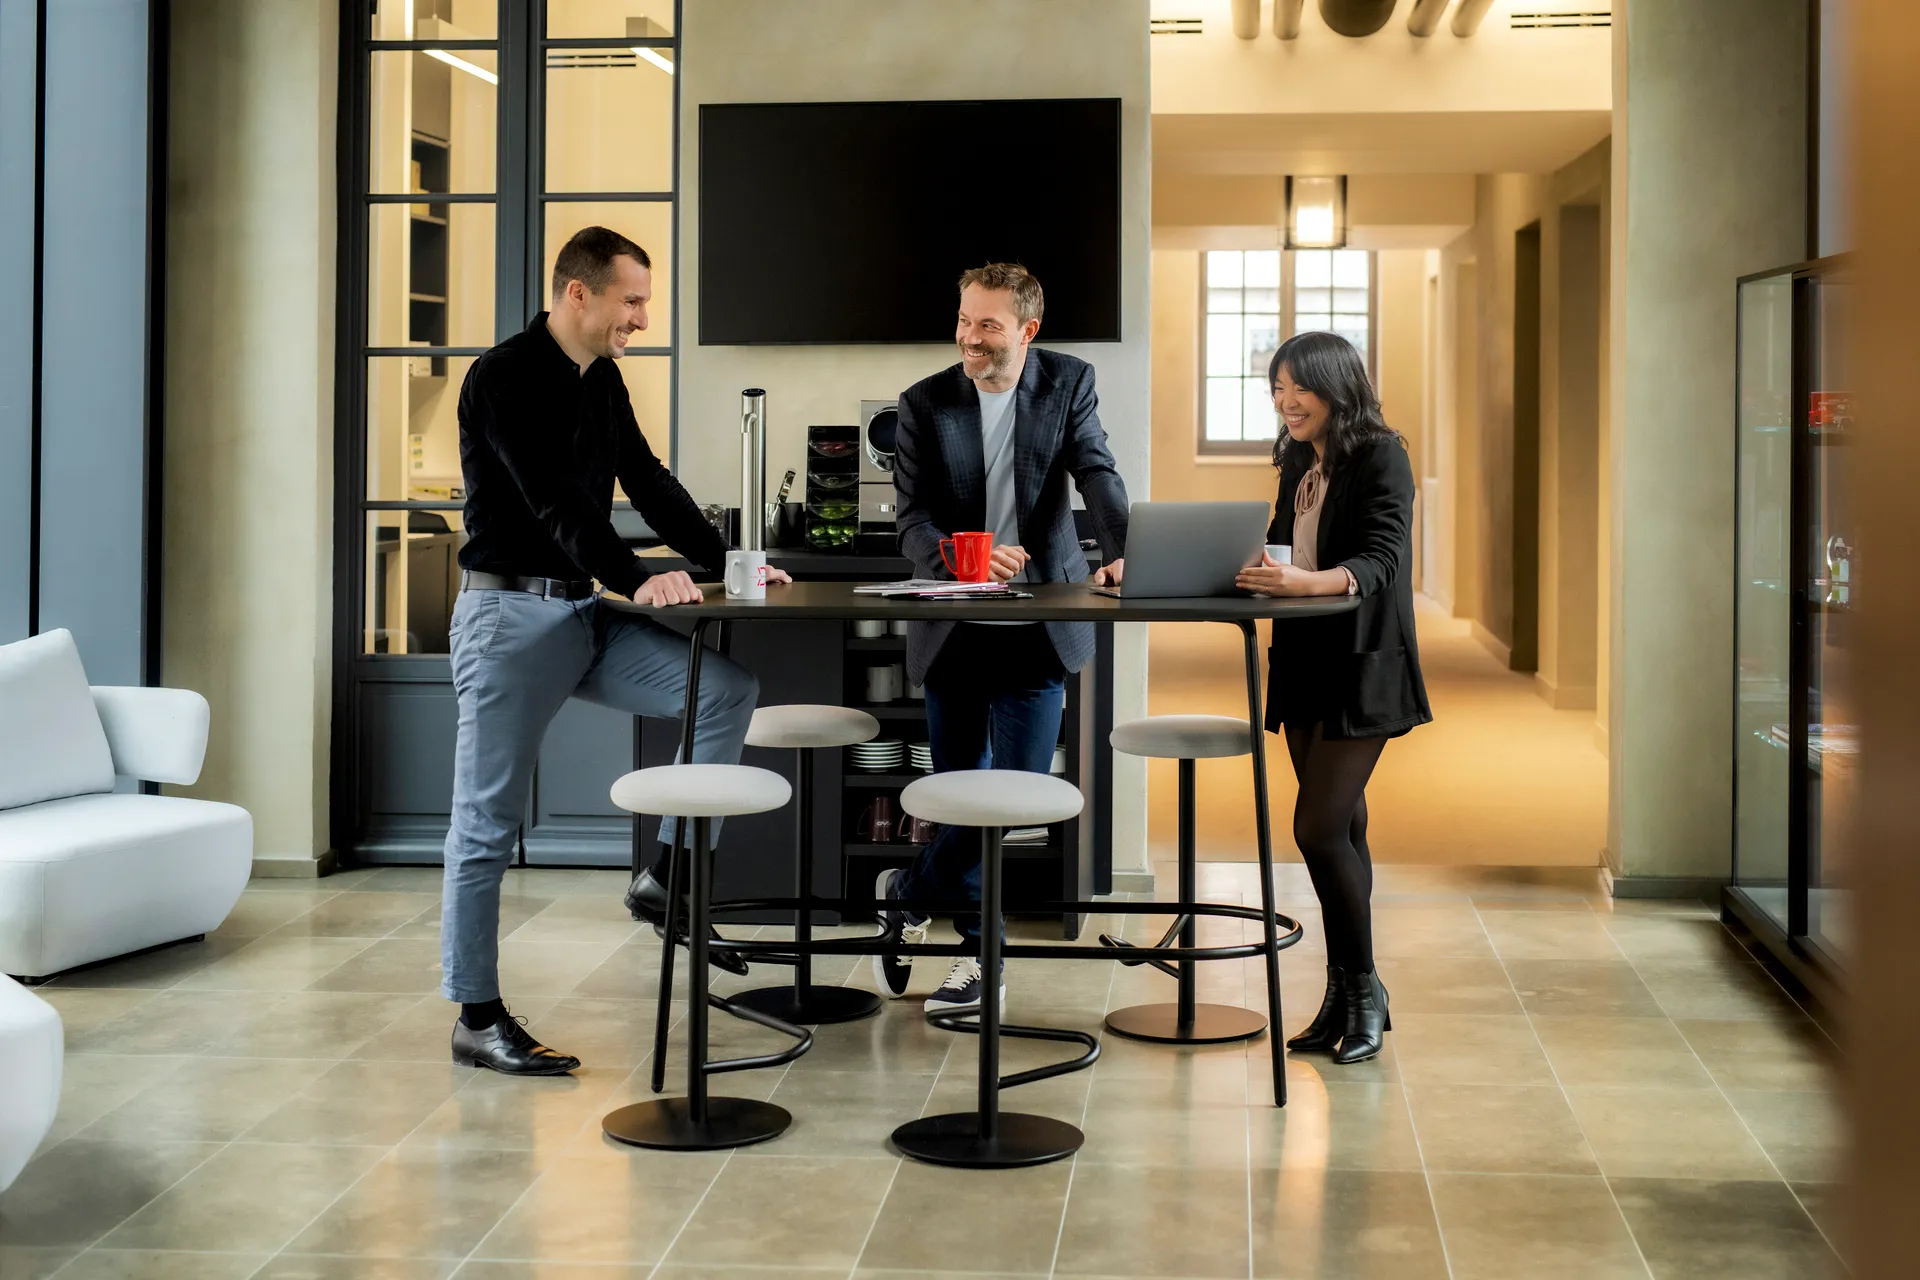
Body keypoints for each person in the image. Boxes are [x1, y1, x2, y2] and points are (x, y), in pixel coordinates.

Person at [443, 225, 788, 1076]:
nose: (641, 316)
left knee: (723, 689)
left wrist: (725, 561)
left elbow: (649, 480)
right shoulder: (505, 377)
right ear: (579, 293)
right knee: (485, 823)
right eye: (632, 300)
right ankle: (476, 1017)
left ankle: (664, 877)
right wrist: (637, 579)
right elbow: (555, 502)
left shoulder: (603, 382)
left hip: (579, 620)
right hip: (510, 624)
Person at [875, 262, 1128, 1017]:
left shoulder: (1067, 384)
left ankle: (909, 891)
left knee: (1014, 798)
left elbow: (1097, 472)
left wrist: (1123, 548)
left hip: (1037, 626)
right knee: (962, 798)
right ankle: (978, 963)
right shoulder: (925, 402)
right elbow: (909, 517)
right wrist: (958, 552)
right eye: (964, 321)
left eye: (987, 324)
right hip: (954, 625)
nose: (970, 338)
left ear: (1027, 330)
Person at [1234, 329, 1431, 1065]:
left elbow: (1379, 559)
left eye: (1298, 387)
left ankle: (1364, 988)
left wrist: (1304, 584)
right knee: (1344, 827)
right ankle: (1344, 994)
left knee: (1317, 828)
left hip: (1362, 664)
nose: (1286, 401)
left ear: (1335, 386)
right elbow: (1288, 551)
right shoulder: (1297, 463)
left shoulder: (1383, 455)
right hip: (1304, 661)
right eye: (1277, 388)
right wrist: (1243, 566)